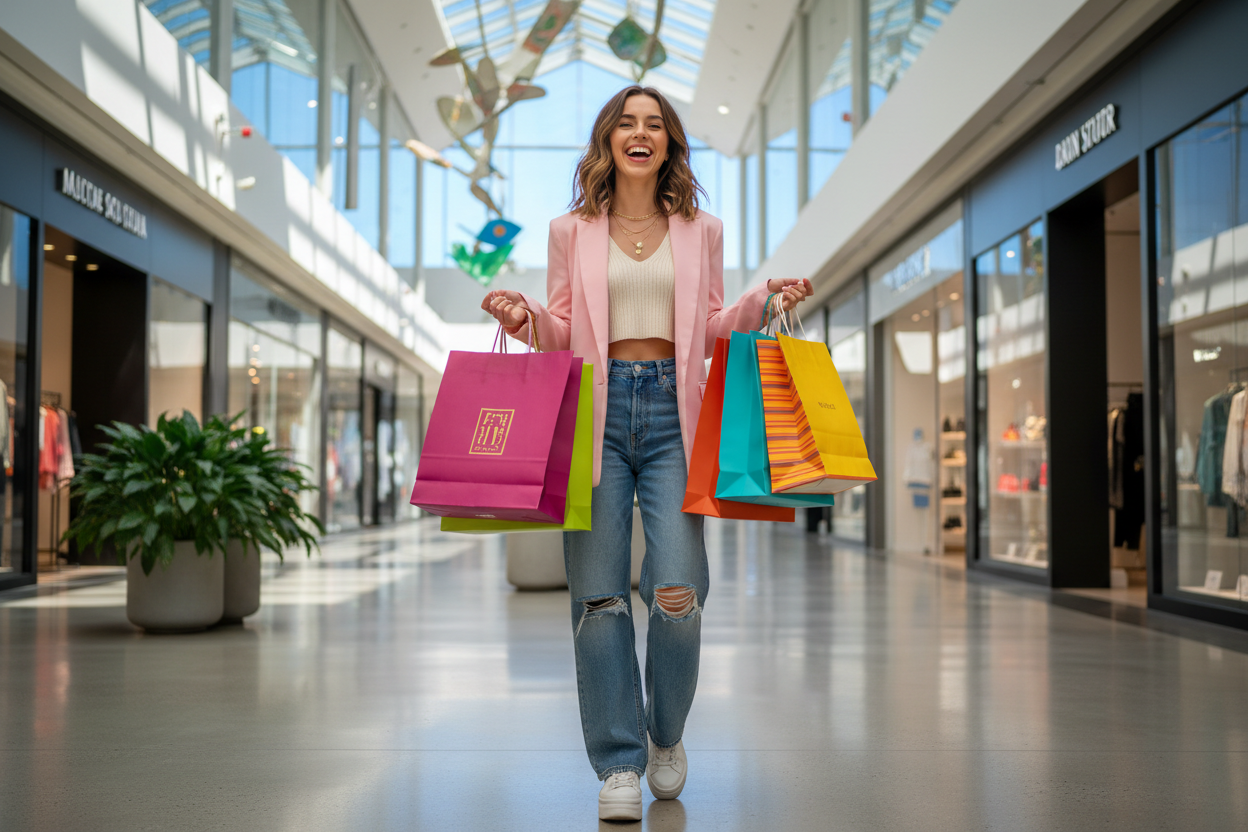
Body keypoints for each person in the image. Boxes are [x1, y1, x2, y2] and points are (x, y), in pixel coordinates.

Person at [482, 85, 811, 822]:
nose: (640, 133)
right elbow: (563, 328)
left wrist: (764, 302)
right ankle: (620, 762)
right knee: (599, 599)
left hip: (673, 413)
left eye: (654, 124)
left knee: (678, 593)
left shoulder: (702, 229)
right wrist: (524, 316)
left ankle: (666, 734)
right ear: (608, 140)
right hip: (595, 414)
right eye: (626, 123)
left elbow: (716, 323)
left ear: (668, 143)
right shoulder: (572, 230)